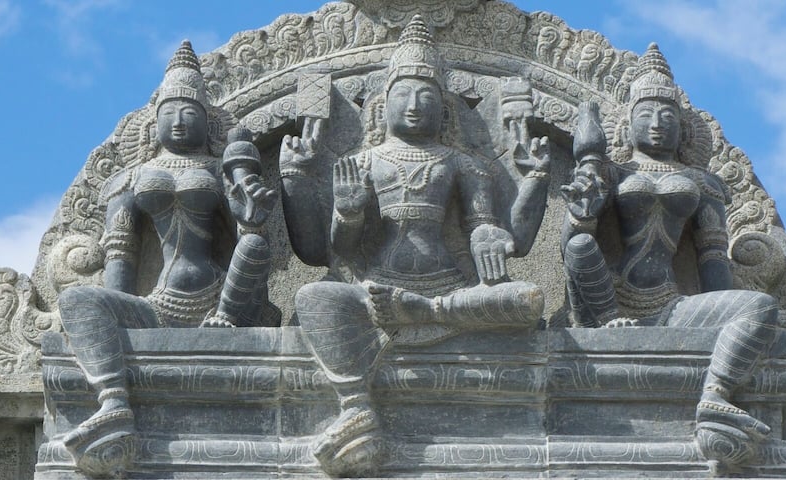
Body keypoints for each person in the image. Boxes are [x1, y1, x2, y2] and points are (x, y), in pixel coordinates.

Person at [276, 16, 553, 476]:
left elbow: (487, 227)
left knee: (526, 299)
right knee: (313, 297)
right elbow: (337, 253)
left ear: (444, 110)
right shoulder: (360, 162)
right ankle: (355, 404)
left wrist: (522, 196)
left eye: (426, 95)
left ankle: (426, 310)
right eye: (403, 93)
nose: (414, 104)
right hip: (377, 291)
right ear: (381, 105)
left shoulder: (463, 164)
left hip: (447, 289)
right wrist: (346, 212)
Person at [40, 40, 279, 475]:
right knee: (78, 301)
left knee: (257, 247)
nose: (180, 120)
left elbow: (245, 238)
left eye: (191, 112)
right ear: (153, 125)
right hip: (156, 305)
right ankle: (113, 401)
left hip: (216, 301)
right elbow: (121, 254)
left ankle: (226, 317)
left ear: (208, 123)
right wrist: (115, 314)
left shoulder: (218, 169)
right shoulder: (128, 180)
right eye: (170, 112)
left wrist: (252, 219)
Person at [558, 43, 786, 469]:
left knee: (760, 307)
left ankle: (716, 395)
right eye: (645, 114)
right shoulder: (613, 172)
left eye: (668, 116)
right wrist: (581, 214)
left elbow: (713, 259)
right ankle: (609, 322)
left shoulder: (702, 184)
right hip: (610, 299)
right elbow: (577, 238)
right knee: (576, 245)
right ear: (626, 125)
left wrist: (721, 316)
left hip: (671, 304)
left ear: (684, 130)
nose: (657, 124)